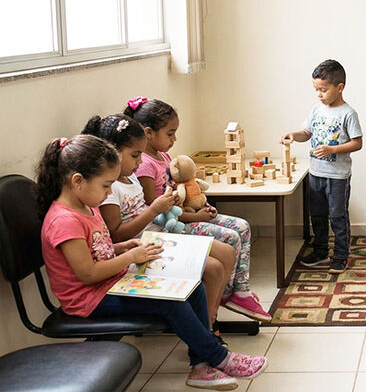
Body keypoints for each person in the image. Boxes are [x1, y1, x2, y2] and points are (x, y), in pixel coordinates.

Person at [35, 135, 266, 390]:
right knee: (172, 303)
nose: (109, 192)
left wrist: (121, 247)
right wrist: (130, 257)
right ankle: (219, 357)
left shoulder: (87, 206)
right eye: (105, 185)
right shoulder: (64, 221)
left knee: (192, 287)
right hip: (87, 298)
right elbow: (87, 273)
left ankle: (201, 365)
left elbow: (94, 250)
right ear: (77, 181)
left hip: (110, 282)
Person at [84, 114, 237, 336]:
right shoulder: (109, 190)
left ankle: (209, 318)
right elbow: (116, 235)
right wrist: (155, 209)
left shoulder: (131, 177)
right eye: (135, 155)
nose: (139, 162)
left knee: (227, 251)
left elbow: (150, 211)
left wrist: (168, 204)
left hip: (160, 235)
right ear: (112, 154)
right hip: (144, 245)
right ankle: (207, 329)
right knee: (213, 268)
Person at [126, 97, 271, 321]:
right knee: (230, 237)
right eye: (170, 133)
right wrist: (194, 216)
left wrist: (203, 206)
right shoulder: (144, 165)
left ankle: (239, 291)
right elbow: (159, 211)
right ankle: (222, 294)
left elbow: (179, 190)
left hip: (186, 213)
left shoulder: (163, 156)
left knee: (242, 226)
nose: (175, 139)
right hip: (171, 223)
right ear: (148, 132)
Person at [280, 59, 363, 274]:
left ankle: (341, 255)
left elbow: (357, 142)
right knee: (317, 215)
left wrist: (332, 150)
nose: (319, 94)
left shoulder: (348, 113)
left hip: (338, 176)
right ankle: (320, 251)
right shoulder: (316, 110)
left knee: (338, 216)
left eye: (323, 90)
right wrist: (293, 135)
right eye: (316, 89)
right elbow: (306, 133)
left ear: (340, 87)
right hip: (315, 173)